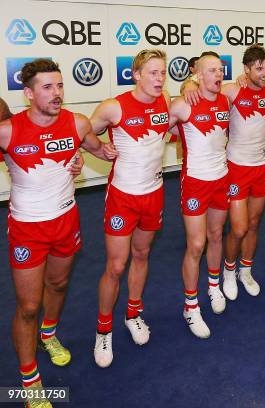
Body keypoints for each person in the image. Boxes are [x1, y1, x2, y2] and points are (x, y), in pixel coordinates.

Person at [0, 58, 115, 407]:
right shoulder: (8, 130)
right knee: (29, 306)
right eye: (47, 87)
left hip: (66, 220)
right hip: (27, 228)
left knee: (60, 284)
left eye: (60, 85)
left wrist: (91, 158)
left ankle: (48, 335)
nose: (57, 93)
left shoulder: (77, 124)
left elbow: (104, 151)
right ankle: (30, 381)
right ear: (29, 94)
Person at [183, 45, 265, 300]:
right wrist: (189, 86)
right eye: (258, 68)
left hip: (262, 167)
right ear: (246, 69)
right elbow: (204, 90)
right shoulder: (232, 90)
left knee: (254, 224)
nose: (263, 73)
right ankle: (229, 270)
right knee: (238, 228)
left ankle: (246, 269)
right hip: (236, 168)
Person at [90, 49, 170, 368]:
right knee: (116, 266)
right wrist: (98, 149)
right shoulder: (115, 106)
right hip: (123, 195)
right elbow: (80, 131)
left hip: (154, 193)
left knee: (141, 255)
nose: (159, 78)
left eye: (163, 72)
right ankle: (103, 329)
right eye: (152, 72)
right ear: (135, 74)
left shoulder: (168, 102)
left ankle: (133, 313)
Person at [168, 52, 230, 338]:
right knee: (196, 244)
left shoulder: (226, 98)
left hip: (221, 178)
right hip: (195, 182)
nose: (218, 75)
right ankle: (191, 306)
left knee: (216, 236)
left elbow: (262, 83)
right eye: (212, 70)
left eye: (221, 70)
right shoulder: (183, 104)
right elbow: (153, 127)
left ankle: (214, 286)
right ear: (197, 75)